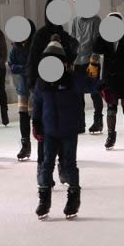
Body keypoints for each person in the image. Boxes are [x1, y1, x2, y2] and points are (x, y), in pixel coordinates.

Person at [32, 35, 99, 220]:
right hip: (49, 131)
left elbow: (93, 86)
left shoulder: (72, 80)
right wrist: (35, 124)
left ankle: (73, 199)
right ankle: (44, 200)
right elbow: (37, 104)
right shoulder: (42, 83)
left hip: (68, 130)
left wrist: (95, 67)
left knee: (70, 165)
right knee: (46, 165)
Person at [26, 0, 80, 185]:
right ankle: (43, 171)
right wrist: (34, 87)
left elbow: (71, 61)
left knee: (64, 131)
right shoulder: (40, 35)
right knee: (44, 131)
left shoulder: (65, 37)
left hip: (64, 91)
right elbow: (32, 62)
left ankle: (64, 166)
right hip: (44, 89)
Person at [93, 12, 124, 150]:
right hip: (109, 78)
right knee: (111, 109)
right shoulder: (105, 36)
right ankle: (111, 136)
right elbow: (96, 48)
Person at [71, 0, 104, 134]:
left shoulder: (96, 20)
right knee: (77, 94)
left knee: (95, 92)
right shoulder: (76, 20)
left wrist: (94, 60)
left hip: (91, 62)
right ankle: (79, 122)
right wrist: (71, 60)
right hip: (77, 62)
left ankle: (98, 121)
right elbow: (72, 40)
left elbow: (99, 41)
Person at [8, 19, 37, 161]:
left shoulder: (36, 45)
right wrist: (25, 69)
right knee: (23, 116)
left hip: (36, 86)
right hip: (22, 87)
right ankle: (25, 146)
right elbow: (12, 66)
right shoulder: (15, 47)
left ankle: (47, 145)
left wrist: (27, 69)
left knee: (37, 116)